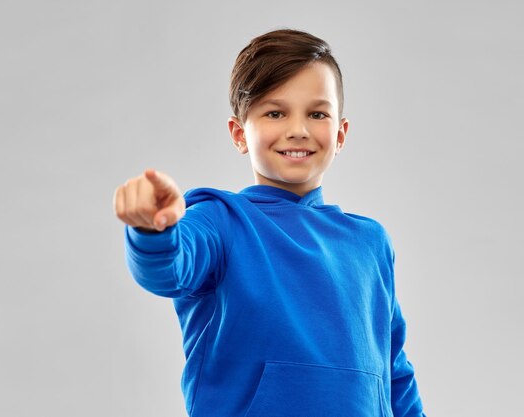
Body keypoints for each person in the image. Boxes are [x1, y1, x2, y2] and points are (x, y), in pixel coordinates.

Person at [114, 28, 426, 417]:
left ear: (341, 133)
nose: (298, 129)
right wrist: (152, 230)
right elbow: (169, 268)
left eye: (317, 113)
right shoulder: (220, 221)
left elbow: (394, 373)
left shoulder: (371, 242)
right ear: (239, 133)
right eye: (275, 113)